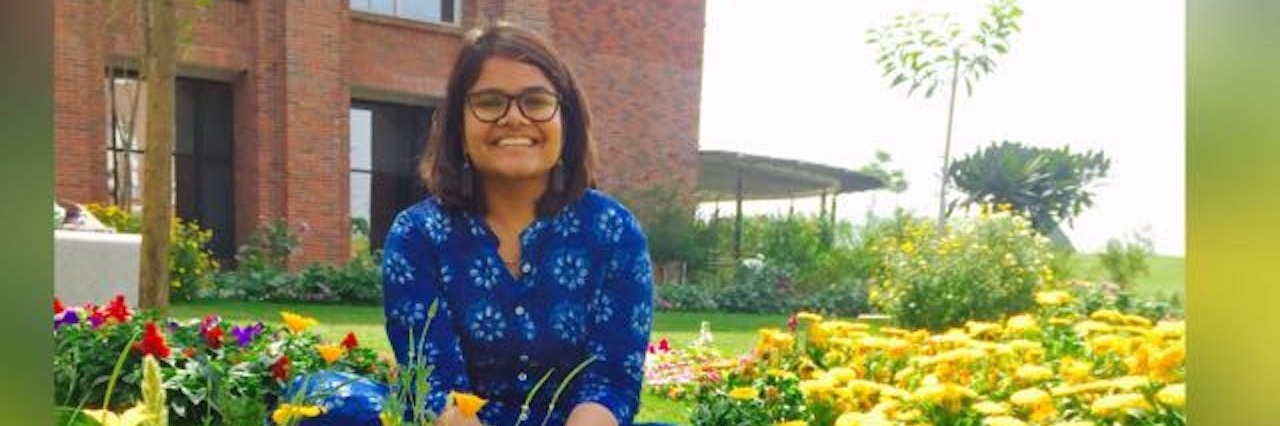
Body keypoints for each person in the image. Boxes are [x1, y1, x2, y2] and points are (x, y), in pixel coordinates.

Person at [381, 22, 655, 426]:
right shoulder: (417, 236)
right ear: (459, 124)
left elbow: (611, 382)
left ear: (567, 119)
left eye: (536, 101)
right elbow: (435, 388)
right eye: (490, 102)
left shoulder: (613, 232)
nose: (514, 118)